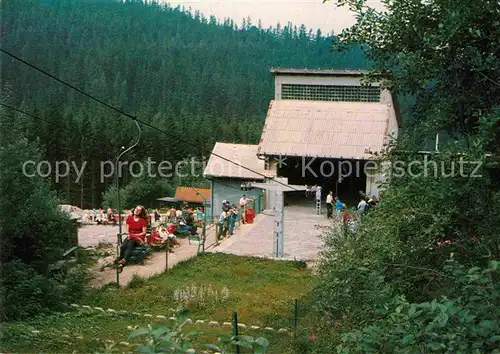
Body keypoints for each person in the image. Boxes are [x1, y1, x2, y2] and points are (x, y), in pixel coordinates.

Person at [116, 205, 148, 272]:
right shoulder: (130, 218)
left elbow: (144, 232)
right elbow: (127, 230)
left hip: (139, 239)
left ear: (141, 212)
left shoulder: (142, 220)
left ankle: (122, 261)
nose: (137, 210)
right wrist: (129, 235)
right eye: (136, 209)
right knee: (122, 246)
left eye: (139, 210)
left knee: (131, 242)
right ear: (134, 209)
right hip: (130, 236)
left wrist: (134, 235)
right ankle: (122, 263)